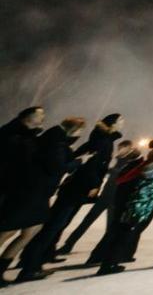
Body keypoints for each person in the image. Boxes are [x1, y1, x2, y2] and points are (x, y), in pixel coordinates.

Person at [17, 114, 121, 280]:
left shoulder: (100, 140)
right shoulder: (102, 142)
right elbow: (92, 164)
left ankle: (38, 257)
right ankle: (31, 264)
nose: (123, 124)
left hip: (74, 188)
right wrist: (93, 183)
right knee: (53, 224)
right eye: (120, 121)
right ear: (112, 124)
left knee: (56, 224)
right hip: (76, 188)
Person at [0, 117, 82, 283]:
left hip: (38, 193)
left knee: (28, 231)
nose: (81, 134)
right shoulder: (56, 142)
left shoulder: (56, 140)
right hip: (33, 193)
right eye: (80, 130)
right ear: (73, 129)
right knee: (10, 230)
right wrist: (77, 162)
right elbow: (56, 167)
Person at [58, 139, 140, 256]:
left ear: (129, 148)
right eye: (119, 148)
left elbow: (122, 175)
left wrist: (110, 170)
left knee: (110, 226)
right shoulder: (119, 159)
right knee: (87, 221)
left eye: (122, 148)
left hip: (115, 198)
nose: (119, 150)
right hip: (105, 196)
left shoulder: (131, 160)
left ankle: (104, 249)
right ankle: (68, 245)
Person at [95, 162, 153, 276]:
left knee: (120, 239)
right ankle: (109, 265)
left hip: (131, 216)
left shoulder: (146, 182)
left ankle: (110, 263)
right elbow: (140, 202)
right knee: (122, 240)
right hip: (133, 217)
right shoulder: (148, 185)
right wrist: (137, 217)